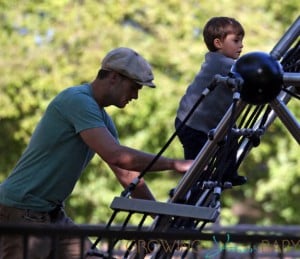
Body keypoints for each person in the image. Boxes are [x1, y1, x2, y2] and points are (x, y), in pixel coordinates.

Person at [0, 47, 193, 259]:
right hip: (23, 209)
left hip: (51, 213)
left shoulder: (101, 118)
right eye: (134, 87)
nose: (136, 96)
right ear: (113, 77)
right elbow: (116, 155)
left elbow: (127, 175)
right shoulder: (77, 100)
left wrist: (161, 218)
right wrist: (175, 164)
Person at [175, 16, 247, 186]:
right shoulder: (223, 63)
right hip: (193, 125)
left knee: (230, 140)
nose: (241, 45)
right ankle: (190, 192)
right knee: (198, 166)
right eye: (236, 41)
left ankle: (228, 174)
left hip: (202, 123)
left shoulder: (221, 62)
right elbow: (247, 76)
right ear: (218, 43)